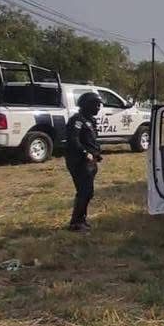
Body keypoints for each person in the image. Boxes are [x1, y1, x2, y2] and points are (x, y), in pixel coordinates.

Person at [65, 91, 105, 231]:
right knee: (84, 191)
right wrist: (85, 153)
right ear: (87, 105)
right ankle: (75, 223)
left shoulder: (90, 120)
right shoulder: (77, 120)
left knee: (88, 192)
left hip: (89, 161)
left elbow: (91, 140)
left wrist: (96, 153)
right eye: (96, 105)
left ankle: (82, 219)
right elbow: (73, 140)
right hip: (79, 161)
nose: (98, 108)